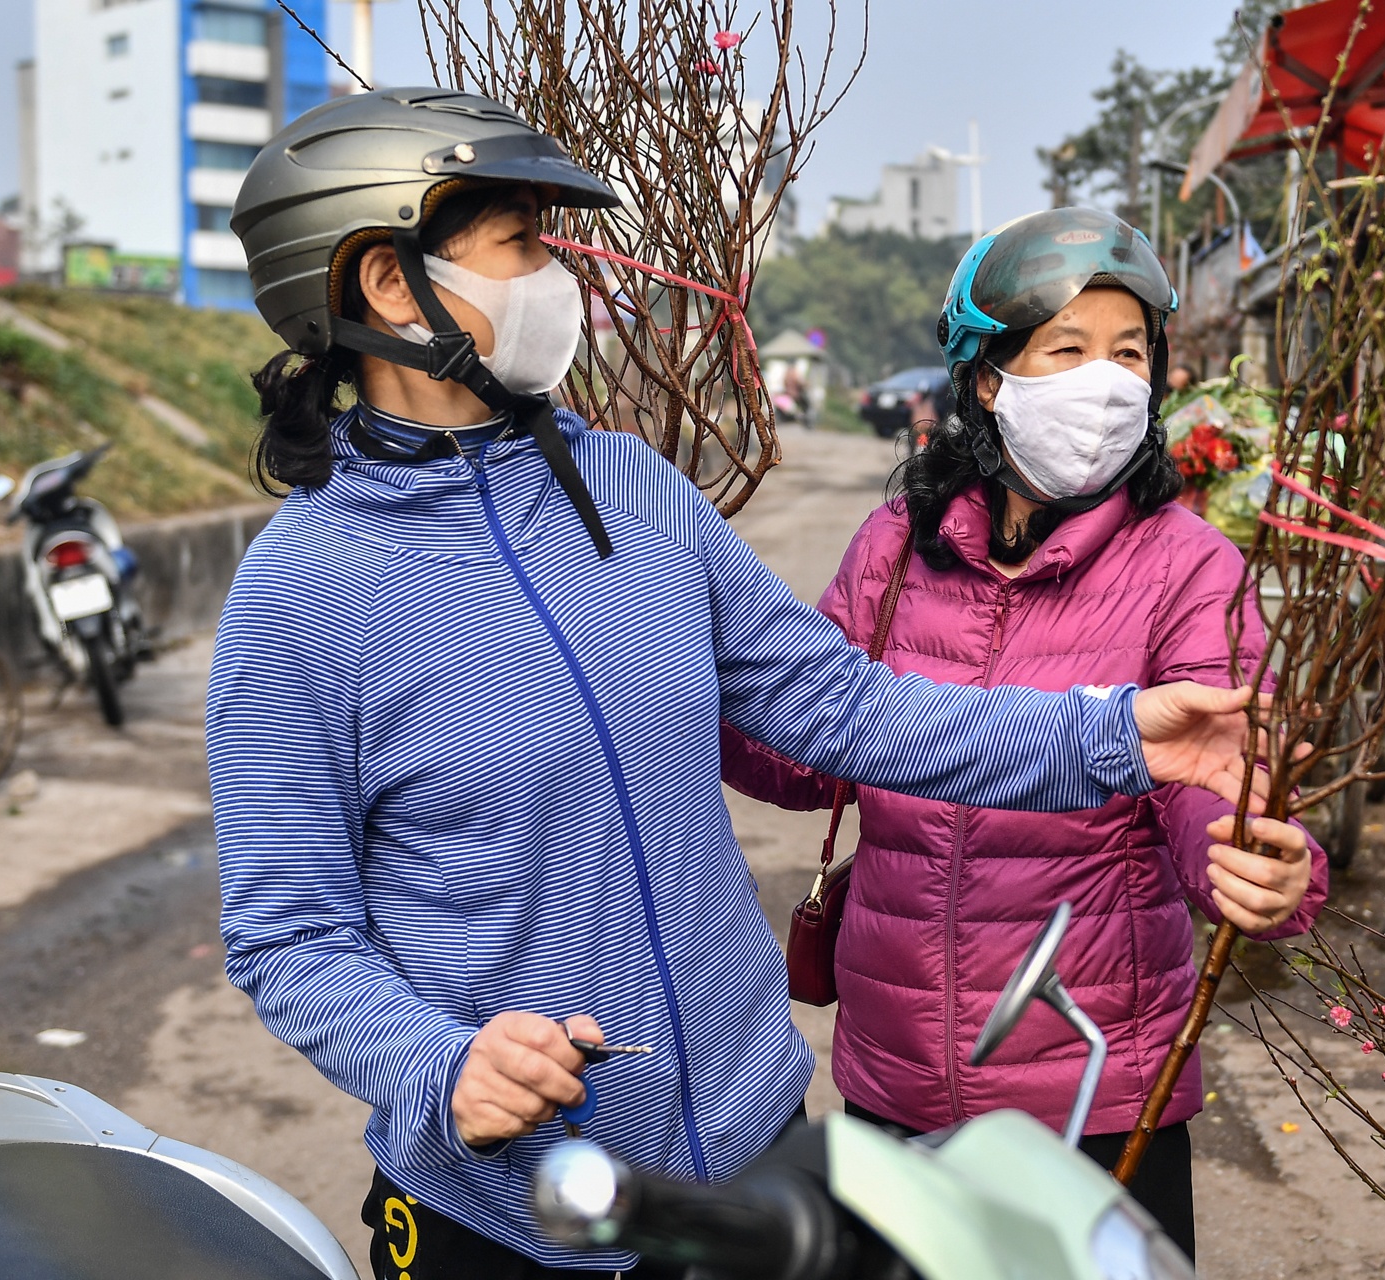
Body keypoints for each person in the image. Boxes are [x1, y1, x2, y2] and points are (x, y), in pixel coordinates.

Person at [208, 92, 1286, 1278]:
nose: (554, 277)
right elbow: (290, 935)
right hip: (522, 1212)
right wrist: (435, 1062)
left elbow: (848, 707)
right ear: (390, 285)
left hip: (757, 1151)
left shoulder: (635, 492)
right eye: (520, 244)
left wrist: (1121, 733)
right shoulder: (299, 595)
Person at [724, 207, 1330, 1264]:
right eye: (1070, 348)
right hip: (896, 1073)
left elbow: (1206, 771)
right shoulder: (895, 547)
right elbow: (803, 744)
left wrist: (1255, 857)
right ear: (990, 377)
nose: (1108, 380)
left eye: (1131, 352)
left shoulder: (1188, 565)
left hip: (1092, 1086)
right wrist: (661, 678)